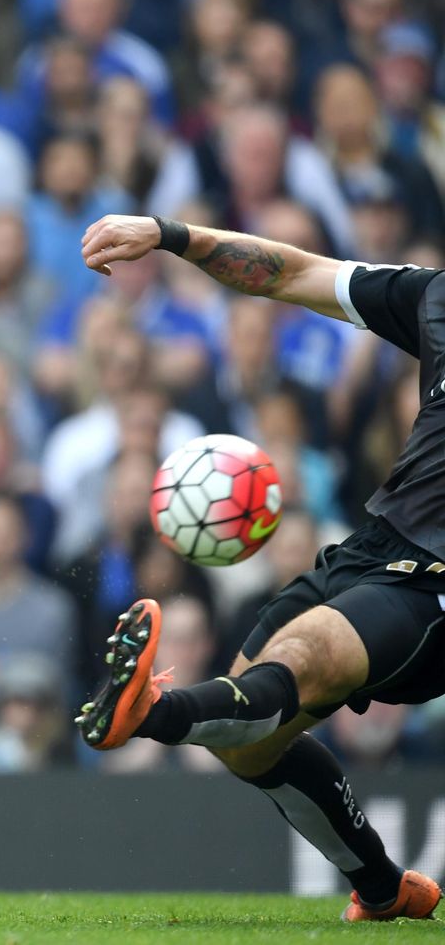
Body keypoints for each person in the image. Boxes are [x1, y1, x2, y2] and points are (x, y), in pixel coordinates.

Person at [75, 211, 445, 922]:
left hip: (437, 581)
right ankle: (380, 886)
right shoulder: (435, 299)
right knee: (249, 742)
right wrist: (171, 236)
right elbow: (297, 273)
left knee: (305, 656)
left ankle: (149, 710)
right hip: (375, 545)